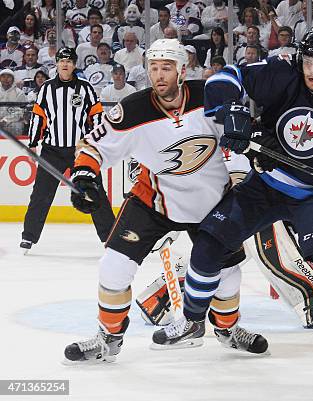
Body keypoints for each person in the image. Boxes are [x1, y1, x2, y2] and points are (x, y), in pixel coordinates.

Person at [152, 26, 313, 375]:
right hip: (264, 184)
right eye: (309, 62)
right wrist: (231, 111)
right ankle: (193, 322)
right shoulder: (283, 72)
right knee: (210, 244)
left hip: (310, 197)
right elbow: (226, 78)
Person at [63, 39, 268, 363]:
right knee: (113, 266)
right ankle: (108, 338)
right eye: (153, 68)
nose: (159, 75)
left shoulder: (210, 98)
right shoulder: (131, 110)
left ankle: (228, 329)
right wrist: (85, 175)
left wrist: (245, 135)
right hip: (154, 201)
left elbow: (243, 133)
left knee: (228, 273)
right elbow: (94, 147)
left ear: (182, 70)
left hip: (211, 202)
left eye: (166, 68)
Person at [21, 47, 115, 253]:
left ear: (74, 65)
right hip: (51, 150)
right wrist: (32, 143)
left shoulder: (86, 88)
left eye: (69, 61)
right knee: (41, 194)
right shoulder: (46, 89)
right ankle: (29, 237)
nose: (65, 64)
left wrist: (97, 143)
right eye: (61, 61)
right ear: (56, 64)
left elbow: (97, 116)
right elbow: (39, 116)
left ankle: (110, 236)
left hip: (79, 152)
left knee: (94, 190)